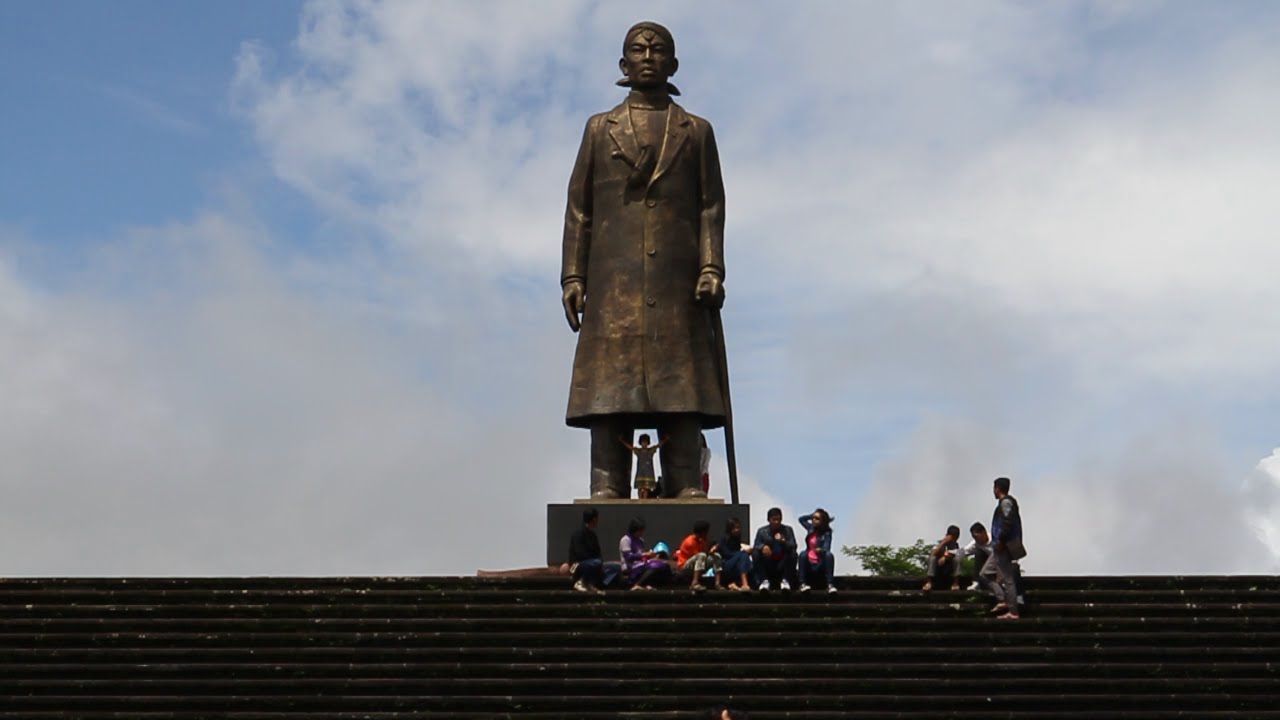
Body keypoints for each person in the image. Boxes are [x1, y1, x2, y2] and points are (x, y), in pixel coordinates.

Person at [561, 21, 728, 500]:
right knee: (610, 386)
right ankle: (606, 483)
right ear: (623, 64)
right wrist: (573, 275)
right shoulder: (599, 129)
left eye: (659, 50)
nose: (649, 55)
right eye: (639, 49)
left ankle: (684, 481)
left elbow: (710, 205)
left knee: (682, 383)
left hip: (678, 281)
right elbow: (579, 209)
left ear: (673, 65)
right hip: (614, 280)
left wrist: (711, 267)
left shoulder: (696, 131)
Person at [983, 477, 1024, 619]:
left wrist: (1000, 540)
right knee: (986, 573)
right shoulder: (1004, 503)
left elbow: (1007, 522)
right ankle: (1002, 599)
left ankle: (1013, 611)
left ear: (997, 488)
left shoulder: (1006, 502)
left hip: (1003, 545)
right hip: (998, 545)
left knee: (1008, 578)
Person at [567, 508, 620, 593]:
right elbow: (579, 554)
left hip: (595, 564)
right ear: (594, 519)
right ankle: (582, 581)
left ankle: (597, 584)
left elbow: (598, 553)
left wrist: (601, 563)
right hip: (578, 565)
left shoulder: (593, 535)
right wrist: (596, 561)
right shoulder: (578, 534)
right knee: (596, 563)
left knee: (616, 567)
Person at [752, 507, 797, 592]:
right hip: (768, 561)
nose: (777, 522)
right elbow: (755, 546)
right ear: (769, 520)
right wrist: (762, 547)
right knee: (755, 553)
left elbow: (793, 545)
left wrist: (784, 542)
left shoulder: (787, 530)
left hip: (782, 562)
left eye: (779, 519)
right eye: (774, 520)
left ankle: (786, 580)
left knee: (793, 553)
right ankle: (763, 580)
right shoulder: (762, 531)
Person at [619, 517, 671, 590]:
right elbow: (628, 557)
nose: (641, 533)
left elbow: (641, 558)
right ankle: (637, 585)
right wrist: (644, 555)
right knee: (654, 566)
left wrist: (651, 555)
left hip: (640, 565)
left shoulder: (641, 541)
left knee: (664, 566)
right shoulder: (626, 540)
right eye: (640, 531)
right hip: (630, 567)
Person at [675, 520, 723, 593]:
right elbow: (699, 556)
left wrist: (712, 550)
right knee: (701, 555)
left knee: (716, 555)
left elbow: (706, 554)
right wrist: (708, 552)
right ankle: (695, 583)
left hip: (699, 564)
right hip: (685, 566)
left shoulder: (703, 540)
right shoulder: (690, 542)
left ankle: (717, 583)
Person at [797, 508, 837, 594]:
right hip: (809, 561)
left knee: (829, 555)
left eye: (817, 519)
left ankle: (830, 584)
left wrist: (821, 550)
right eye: (813, 518)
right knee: (802, 554)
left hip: (820, 563)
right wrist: (811, 515)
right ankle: (802, 583)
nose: (814, 520)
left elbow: (827, 548)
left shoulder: (827, 533)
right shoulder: (810, 528)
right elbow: (801, 519)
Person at [619, 433, 667, 499]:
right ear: (640, 443)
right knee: (640, 487)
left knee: (646, 487)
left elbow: (658, 445)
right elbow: (630, 447)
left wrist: (665, 440)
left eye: (646, 442)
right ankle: (640, 499)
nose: (644, 444)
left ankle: (644, 499)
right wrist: (622, 441)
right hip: (640, 471)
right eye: (643, 442)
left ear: (648, 443)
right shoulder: (638, 451)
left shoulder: (651, 450)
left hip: (648, 471)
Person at [957, 522, 995, 595]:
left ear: (984, 533)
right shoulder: (976, 544)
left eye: (977, 537)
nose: (976, 540)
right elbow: (964, 551)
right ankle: (976, 582)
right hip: (987, 568)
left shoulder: (995, 539)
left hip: (1000, 564)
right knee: (979, 553)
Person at [921, 525, 961, 593]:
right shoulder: (941, 544)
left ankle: (955, 583)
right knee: (932, 559)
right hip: (938, 569)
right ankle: (929, 583)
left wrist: (945, 557)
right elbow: (932, 555)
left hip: (948, 569)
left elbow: (955, 554)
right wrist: (943, 543)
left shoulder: (955, 545)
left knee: (956, 560)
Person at [718, 517, 752, 591]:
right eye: (735, 528)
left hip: (735, 564)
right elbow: (726, 554)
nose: (737, 530)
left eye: (738, 528)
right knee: (743, 554)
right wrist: (741, 552)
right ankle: (745, 584)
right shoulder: (724, 539)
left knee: (744, 556)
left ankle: (737, 583)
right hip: (726, 565)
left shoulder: (737, 539)